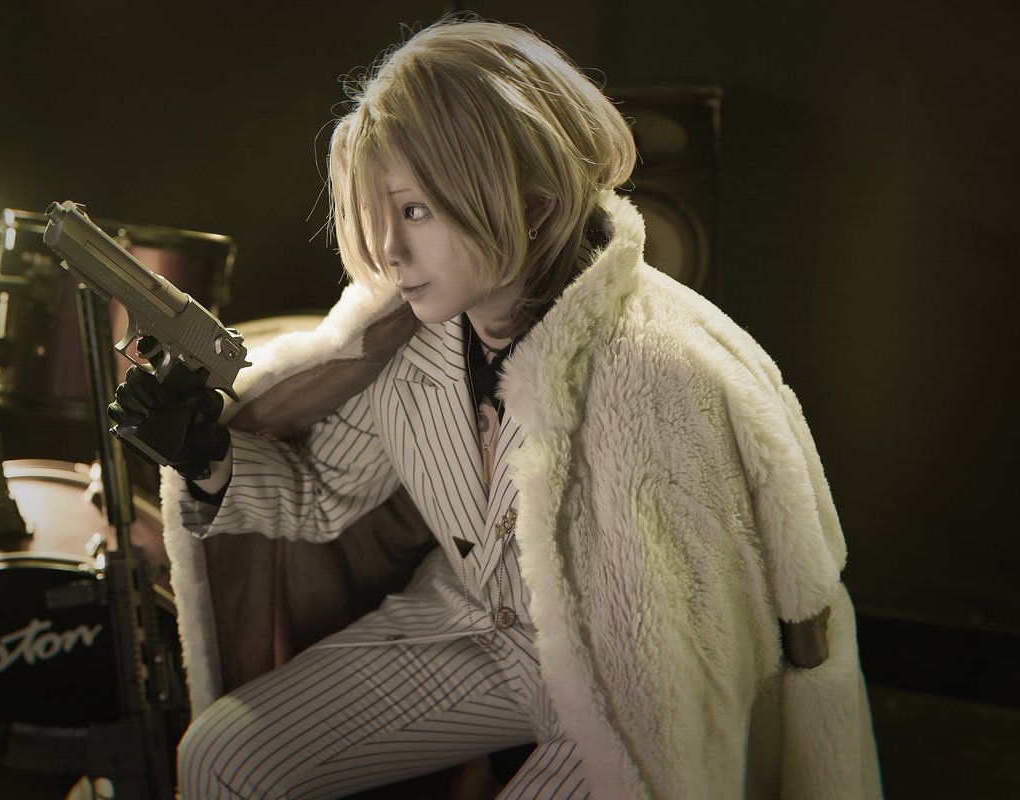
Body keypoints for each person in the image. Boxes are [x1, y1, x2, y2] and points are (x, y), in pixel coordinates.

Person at [110, 17, 882, 799]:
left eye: (414, 210)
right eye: (379, 210)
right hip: (470, 630)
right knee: (222, 760)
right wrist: (205, 456)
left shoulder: (668, 376)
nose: (387, 249)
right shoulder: (411, 342)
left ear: (533, 207)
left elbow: (709, 643)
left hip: (630, 685)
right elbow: (323, 491)